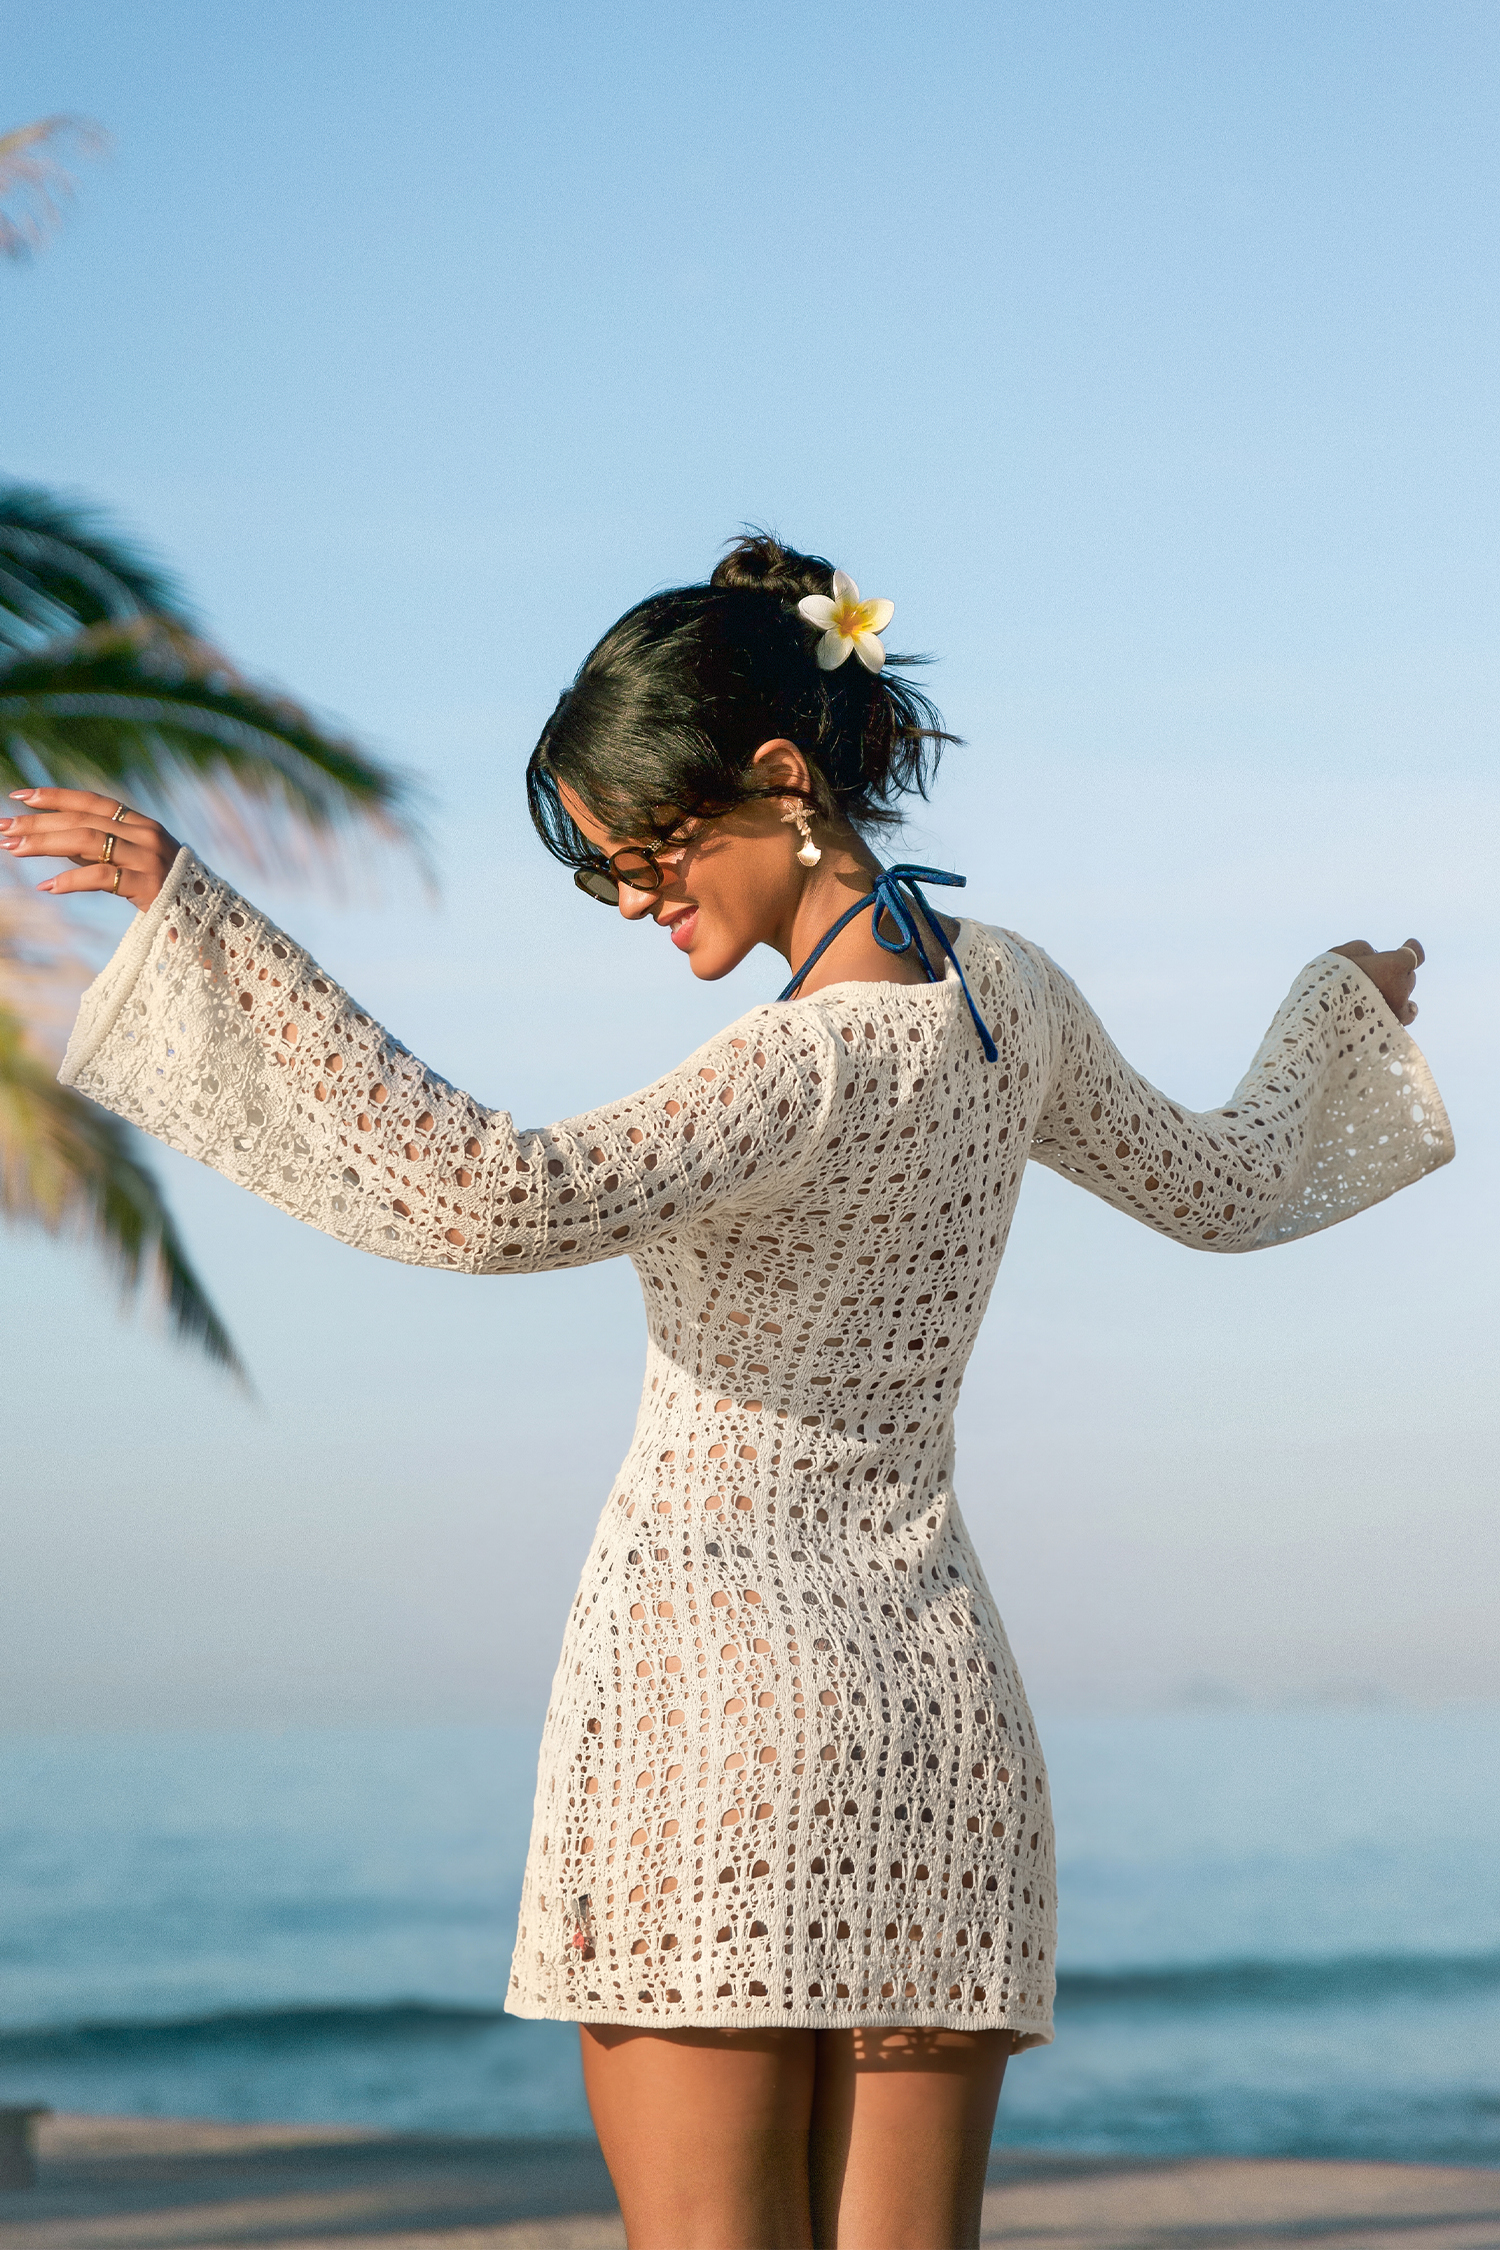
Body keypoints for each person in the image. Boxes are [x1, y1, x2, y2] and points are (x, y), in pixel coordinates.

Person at [9, 534, 1452, 2250]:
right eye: (602, 873)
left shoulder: (797, 1060)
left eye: (649, 850)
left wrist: (205, 932)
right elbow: (1221, 1186)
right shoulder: (1012, 1002)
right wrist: (1340, 1013)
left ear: (783, 780)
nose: (631, 896)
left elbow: (494, 1191)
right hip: (937, 1728)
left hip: (709, 1724)